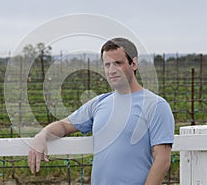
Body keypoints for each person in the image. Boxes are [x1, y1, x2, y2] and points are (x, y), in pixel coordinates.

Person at [28, 37, 175, 184]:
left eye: (118, 63)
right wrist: (42, 135)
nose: (112, 70)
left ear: (134, 63)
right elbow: (64, 125)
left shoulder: (156, 105)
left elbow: (162, 160)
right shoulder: (99, 103)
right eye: (107, 65)